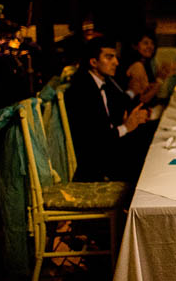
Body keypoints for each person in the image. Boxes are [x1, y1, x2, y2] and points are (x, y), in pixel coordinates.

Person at [64, 36, 149, 182]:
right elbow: (94, 141)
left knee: (151, 138)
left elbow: (121, 103)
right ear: (93, 62)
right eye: (109, 57)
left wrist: (137, 115)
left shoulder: (105, 81)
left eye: (115, 57)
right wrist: (126, 127)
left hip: (110, 147)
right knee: (146, 159)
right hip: (95, 162)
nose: (116, 62)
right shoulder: (81, 90)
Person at [119, 29, 176, 108]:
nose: (150, 46)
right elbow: (142, 99)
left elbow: (145, 89)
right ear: (135, 46)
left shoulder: (145, 63)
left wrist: (159, 77)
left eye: (152, 43)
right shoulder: (137, 66)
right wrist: (160, 80)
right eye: (145, 43)